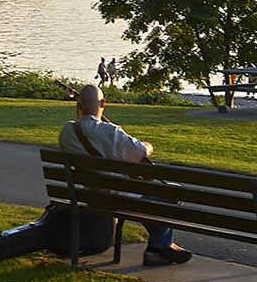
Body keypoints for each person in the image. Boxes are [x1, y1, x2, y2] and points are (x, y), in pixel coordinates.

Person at [59, 84, 191, 266]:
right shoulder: (110, 132)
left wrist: (82, 113)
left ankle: (162, 246)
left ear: (79, 106)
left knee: (156, 200)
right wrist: (148, 146)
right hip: (120, 197)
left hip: (90, 195)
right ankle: (157, 249)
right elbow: (140, 151)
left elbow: (81, 127)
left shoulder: (67, 131)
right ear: (103, 103)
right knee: (173, 192)